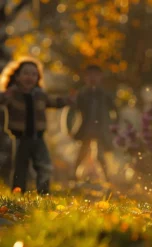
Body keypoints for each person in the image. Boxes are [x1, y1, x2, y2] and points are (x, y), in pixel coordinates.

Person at [0, 58, 74, 194]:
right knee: (20, 167)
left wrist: (66, 100)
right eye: (26, 73)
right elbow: (2, 100)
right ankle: (18, 191)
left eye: (34, 74)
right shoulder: (13, 93)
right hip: (20, 138)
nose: (30, 77)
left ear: (38, 77)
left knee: (44, 165)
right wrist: (4, 95)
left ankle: (43, 192)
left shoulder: (40, 94)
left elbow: (53, 101)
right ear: (17, 76)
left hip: (38, 137)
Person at [70, 65, 118, 182]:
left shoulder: (105, 95)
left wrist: (114, 127)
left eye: (96, 75)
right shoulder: (82, 94)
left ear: (100, 77)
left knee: (100, 155)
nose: (93, 78)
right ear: (85, 77)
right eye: (90, 75)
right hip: (85, 129)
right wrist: (69, 128)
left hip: (101, 130)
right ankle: (75, 176)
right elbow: (71, 111)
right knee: (82, 153)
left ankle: (107, 177)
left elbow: (116, 112)